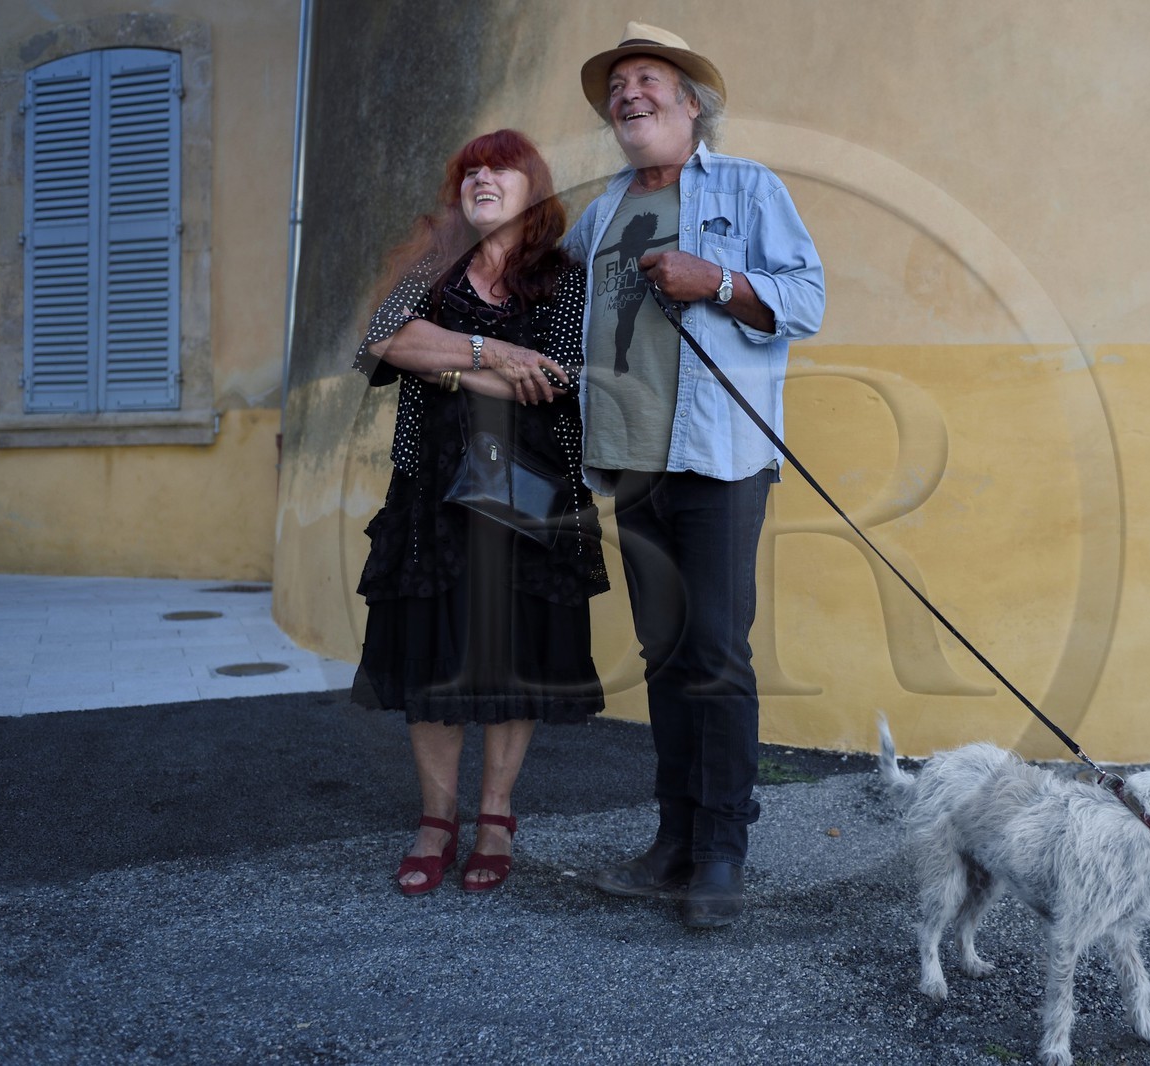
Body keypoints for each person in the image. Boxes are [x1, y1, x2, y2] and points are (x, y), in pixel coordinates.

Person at [568, 24, 825, 927]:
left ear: (689, 104)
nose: (629, 94)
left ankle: (722, 851)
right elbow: (566, 316)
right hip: (631, 463)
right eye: (618, 86)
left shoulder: (749, 187)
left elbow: (807, 298)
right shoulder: (598, 212)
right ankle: (673, 838)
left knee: (716, 654)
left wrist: (715, 280)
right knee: (667, 655)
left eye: (648, 80)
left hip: (717, 461)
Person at [351, 129, 608, 895]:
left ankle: (495, 815)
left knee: (514, 654)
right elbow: (383, 343)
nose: (482, 177)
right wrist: (491, 355)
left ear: (534, 188)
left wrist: (449, 358)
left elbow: (555, 380)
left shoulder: (563, 277)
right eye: (470, 170)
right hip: (432, 493)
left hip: (530, 490)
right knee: (432, 653)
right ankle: (437, 820)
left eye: (500, 167)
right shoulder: (433, 263)